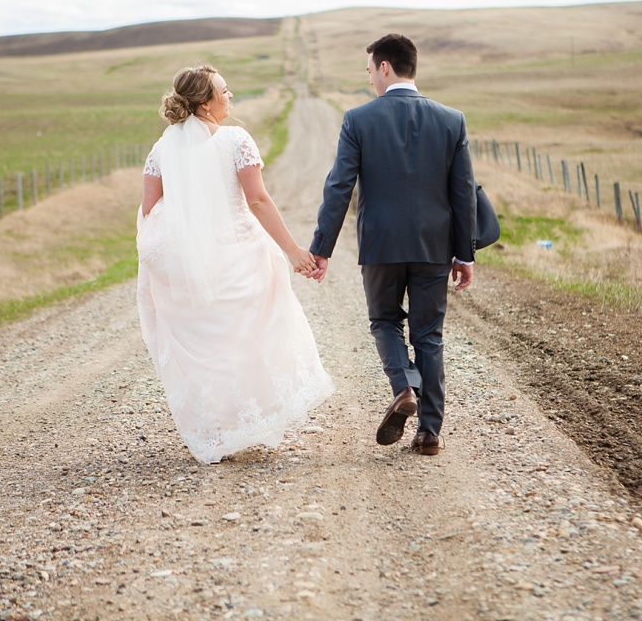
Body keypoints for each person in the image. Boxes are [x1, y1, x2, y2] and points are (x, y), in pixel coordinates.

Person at [136, 64, 333, 465]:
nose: (230, 96)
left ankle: (214, 430)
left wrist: (175, 250)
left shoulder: (161, 148)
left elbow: (150, 209)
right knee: (247, 334)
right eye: (224, 91)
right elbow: (258, 200)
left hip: (186, 265)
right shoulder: (235, 140)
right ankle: (248, 418)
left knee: (206, 344)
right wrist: (293, 251)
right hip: (239, 254)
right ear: (205, 104)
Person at [308, 34, 476, 456]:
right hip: (433, 247)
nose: (369, 80)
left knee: (384, 322)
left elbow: (339, 187)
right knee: (429, 336)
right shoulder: (451, 119)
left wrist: (322, 248)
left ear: (385, 67)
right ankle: (429, 434)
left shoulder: (358, 120)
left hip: (380, 245)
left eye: (369, 71)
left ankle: (404, 388)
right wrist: (464, 253)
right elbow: (463, 194)